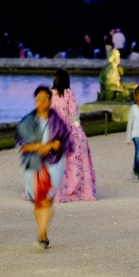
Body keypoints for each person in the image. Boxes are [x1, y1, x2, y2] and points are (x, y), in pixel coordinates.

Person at [15, 86, 72, 248]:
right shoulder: (27, 121)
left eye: (45, 98)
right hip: (33, 162)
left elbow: (65, 140)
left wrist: (53, 145)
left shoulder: (57, 120)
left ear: (50, 100)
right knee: (39, 199)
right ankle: (43, 233)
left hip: (54, 161)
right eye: (38, 98)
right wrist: (38, 146)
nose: (41, 101)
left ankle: (41, 234)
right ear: (35, 101)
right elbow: (21, 145)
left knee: (48, 198)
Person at [50, 70, 96, 202]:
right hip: (68, 129)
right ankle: (74, 187)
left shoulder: (49, 94)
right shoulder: (69, 93)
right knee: (73, 160)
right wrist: (78, 126)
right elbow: (73, 113)